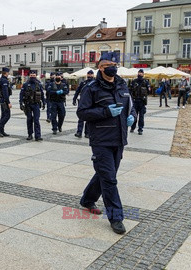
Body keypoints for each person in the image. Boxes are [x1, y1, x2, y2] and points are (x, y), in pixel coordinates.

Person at [77, 52, 137, 235]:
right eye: (108, 65)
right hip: (101, 140)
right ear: (100, 68)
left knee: (104, 174)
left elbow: (131, 106)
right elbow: (82, 113)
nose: (112, 67)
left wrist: (132, 117)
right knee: (110, 179)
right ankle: (116, 217)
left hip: (119, 139)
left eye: (114, 64)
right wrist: (105, 112)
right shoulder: (91, 88)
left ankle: (87, 199)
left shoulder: (122, 85)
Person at [19, 70, 45, 141]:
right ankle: (30, 134)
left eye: (34, 76)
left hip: (36, 104)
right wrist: (20, 103)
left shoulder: (39, 84)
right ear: (29, 76)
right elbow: (21, 94)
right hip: (28, 105)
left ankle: (38, 136)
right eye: (31, 76)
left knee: (36, 120)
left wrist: (44, 102)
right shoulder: (25, 84)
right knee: (29, 120)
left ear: (36, 76)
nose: (32, 77)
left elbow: (42, 94)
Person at [73, 70, 95, 138]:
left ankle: (87, 133)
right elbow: (77, 91)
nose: (90, 75)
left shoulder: (95, 83)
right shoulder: (83, 83)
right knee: (81, 118)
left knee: (89, 118)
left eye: (91, 74)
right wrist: (74, 99)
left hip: (91, 102)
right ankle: (79, 132)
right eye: (89, 74)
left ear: (93, 75)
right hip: (82, 102)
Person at [129, 69, 150, 135]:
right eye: (139, 72)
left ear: (143, 74)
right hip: (135, 101)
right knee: (134, 115)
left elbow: (148, 91)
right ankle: (133, 127)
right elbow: (130, 90)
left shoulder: (146, 82)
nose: (140, 74)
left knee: (141, 116)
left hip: (142, 102)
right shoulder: (134, 81)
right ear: (138, 73)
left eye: (141, 73)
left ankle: (140, 129)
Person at [0, 67, 12, 137]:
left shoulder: (1, 79)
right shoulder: (4, 81)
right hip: (4, 101)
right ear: (6, 73)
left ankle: (2, 130)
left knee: (3, 116)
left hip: (2, 100)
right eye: (8, 73)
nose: (9, 74)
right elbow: (5, 93)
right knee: (7, 115)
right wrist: (8, 102)